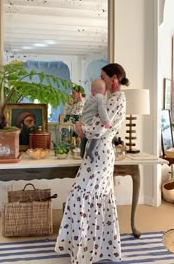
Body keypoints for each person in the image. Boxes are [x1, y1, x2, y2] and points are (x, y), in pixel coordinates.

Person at [55, 63, 130, 264]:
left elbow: (97, 129)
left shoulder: (117, 99)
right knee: (84, 196)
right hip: (97, 152)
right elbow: (93, 120)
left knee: (83, 195)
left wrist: (81, 129)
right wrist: (83, 125)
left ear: (114, 79)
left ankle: (88, 250)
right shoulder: (110, 98)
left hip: (101, 154)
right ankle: (89, 248)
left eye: (103, 77)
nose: (101, 81)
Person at [80, 78, 110, 161]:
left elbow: (84, 110)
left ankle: (82, 152)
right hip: (91, 122)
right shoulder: (100, 99)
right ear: (102, 90)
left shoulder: (88, 99)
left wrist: (82, 120)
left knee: (84, 138)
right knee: (96, 135)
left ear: (92, 90)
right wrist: (106, 121)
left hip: (84, 121)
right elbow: (102, 110)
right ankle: (90, 150)